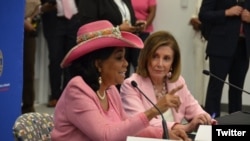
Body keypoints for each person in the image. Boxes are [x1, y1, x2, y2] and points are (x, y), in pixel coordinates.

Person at [51, 20, 191, 141]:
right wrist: (153, 111)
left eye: (124, 57)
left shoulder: (110, 90)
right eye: (119, 58)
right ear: (98, 64)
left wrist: (165, 134)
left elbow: (128, 128)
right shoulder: (77, 90)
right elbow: (106, 136)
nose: (125, 63)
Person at [120, 31, 216, 133]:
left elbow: (195, 109)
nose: (160, 64)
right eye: (155, 56)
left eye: (166, 58)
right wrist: (184, 128)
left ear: (172, 63)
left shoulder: (177, 82)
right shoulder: (131, 85)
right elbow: (141, 124)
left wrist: (205, 120)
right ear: (146, 57)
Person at [199, 0, 250, 118]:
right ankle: (211, 123)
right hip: (220, 46)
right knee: (215, 89)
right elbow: (203, 15)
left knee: (237, 90)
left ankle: (236, 125)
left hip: (243, 48)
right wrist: (226, 12)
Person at [77, 0, 146, 78]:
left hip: (125, 47)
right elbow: (88, 26)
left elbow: (126, 17)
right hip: (103, 52)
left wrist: (135, 25)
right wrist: (117, 29)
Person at [46, 0, 81, 107]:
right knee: (55, 58)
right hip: (55, 20)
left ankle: (68, 95)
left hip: (74, 19)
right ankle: (55, 96)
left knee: (71, 58)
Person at [22, 0, 41, 114]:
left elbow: (37, 6)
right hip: (8, 26)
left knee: (29, 69)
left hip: (29, 31)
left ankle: (28, 108)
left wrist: (31, 19)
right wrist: (21, 20)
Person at [189, 0, 208, 105]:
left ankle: (207, 105)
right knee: (199, 73)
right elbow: (193, 20)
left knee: (209, 76)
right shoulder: (199, 1)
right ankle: (198, 104)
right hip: (199, 39)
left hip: (213, 41)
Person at [131, 0, 157, 71]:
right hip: (127, 31)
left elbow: (152, 12)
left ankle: (139, 82)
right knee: (124, 63)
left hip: (143, 33)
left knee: (139, 63)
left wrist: (144, 25)